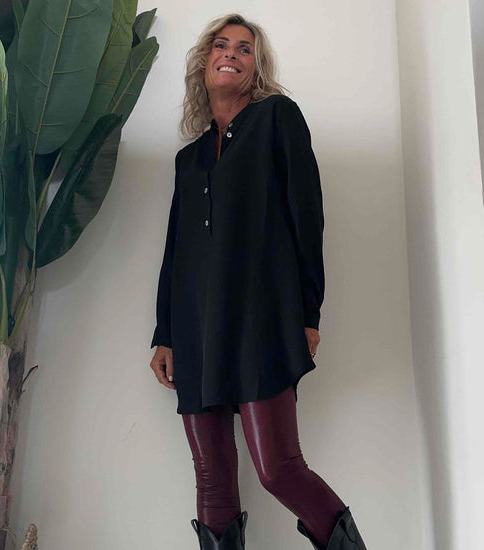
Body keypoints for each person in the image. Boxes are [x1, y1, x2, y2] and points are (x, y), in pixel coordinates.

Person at [149, 13, 369, 550]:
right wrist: (165, 334)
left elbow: (307, 218)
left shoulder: (277, 119)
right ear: (204, 62)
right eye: (221, 45)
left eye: (244, 48)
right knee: (212, 480)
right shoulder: (188, 159)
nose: (231, 53)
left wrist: (308, 313)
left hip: (260, 321)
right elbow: (176, 250)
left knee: (278, 469)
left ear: (256, 66)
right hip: (195, 329)